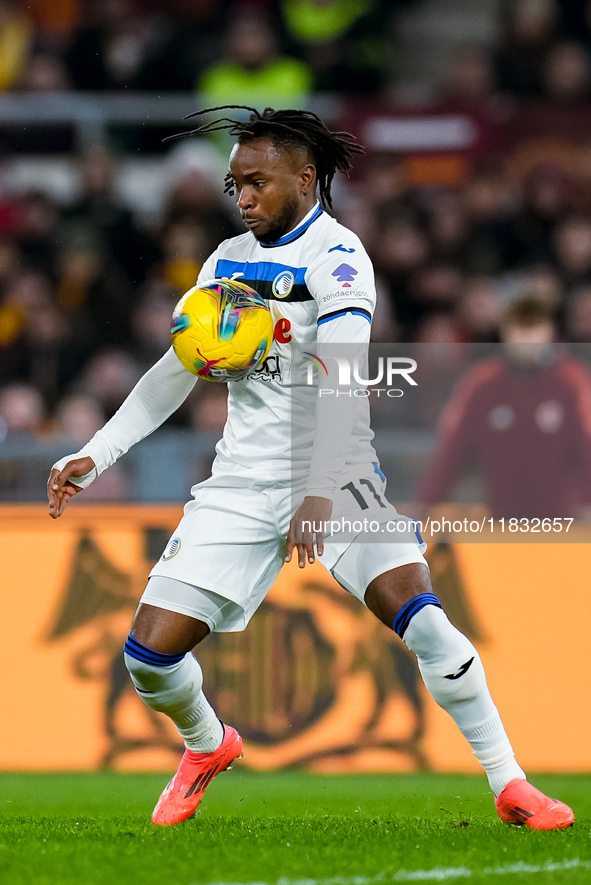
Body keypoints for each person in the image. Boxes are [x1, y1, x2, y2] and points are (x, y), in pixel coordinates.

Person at [47, 107, 573, 831]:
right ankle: (207, 745)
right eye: (235, 186)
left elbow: (344, 377)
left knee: (424, 625)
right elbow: (177, 369)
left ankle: (510, 783)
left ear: (304, 177)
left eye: (257, 182)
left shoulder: (339, 260)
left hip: (340, 473)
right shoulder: (225, 262)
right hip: (239, 481)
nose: (244, 199)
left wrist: (321, 490)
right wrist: (95, 452)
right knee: (146, 659)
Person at [416, 294, 591, 519]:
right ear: (505, 331)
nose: (526, 337)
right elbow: (452, 453)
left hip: (561, 526)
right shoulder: (481, 384)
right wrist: (423, 507)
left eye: (534, 328)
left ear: (549, 331)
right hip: (503, 524)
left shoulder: (573, 382)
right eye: (520, 328)